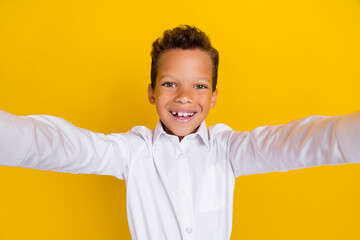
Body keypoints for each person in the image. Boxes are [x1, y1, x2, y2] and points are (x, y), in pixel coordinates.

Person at [0, 25, 359, 240]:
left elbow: (301, 142)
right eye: (170, 83)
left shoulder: (230, 150)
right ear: (152, 92)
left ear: (214, 96)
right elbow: (56, 145)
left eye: (199, 86)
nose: (185, 97)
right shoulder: (133, 152)